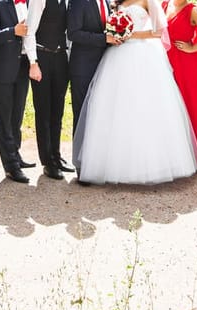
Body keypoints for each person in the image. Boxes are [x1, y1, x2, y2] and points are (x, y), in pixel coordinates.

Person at [73, 0, 197, 185]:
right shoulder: (117, 2)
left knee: (143, 106)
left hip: (142, 54)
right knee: (116, 108)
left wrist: (131, 35)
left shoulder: (148, 1)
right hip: (117, 55)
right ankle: (113, 163)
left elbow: (159, 31)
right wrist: (116, 34)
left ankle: (149, 165)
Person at [67, 0, 121, 185]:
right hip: (82, 66)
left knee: (101, 116)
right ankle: (81, 166)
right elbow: (73, 33)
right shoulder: (78, 2)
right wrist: (103, 39)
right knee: (82, 113)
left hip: (105, 65)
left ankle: (98, 163)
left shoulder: (108, 2)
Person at [24, 0, 76, 180]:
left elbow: (68, 32)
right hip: (42, 58)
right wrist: (33, 63)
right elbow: (29, 31)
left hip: (61, 58)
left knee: (58, 112)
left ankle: (56, 155)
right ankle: (47, 161)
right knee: (43, 112)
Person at [0, 0, 33, 184]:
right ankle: (11, 166)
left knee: (17, 115)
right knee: (5, 118)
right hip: (3, 68)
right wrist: (13, 31)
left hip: (24, 65)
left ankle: (16, 154)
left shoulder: (30, 4)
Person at [165, 0, 197, 165]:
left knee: (187, 105)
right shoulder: (165, 5)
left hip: (185, 64)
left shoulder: (192, 10)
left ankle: (190, 156)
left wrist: (193, 48)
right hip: (165, 61)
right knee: (168, 105)